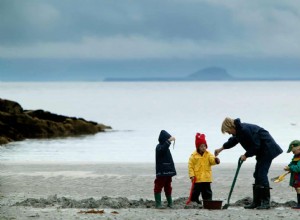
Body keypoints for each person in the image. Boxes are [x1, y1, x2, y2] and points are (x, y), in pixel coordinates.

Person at [215, 117, 283, 209]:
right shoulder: (239, 131)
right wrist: (220, 149)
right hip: (262, 151)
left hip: (268, 149)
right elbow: (233, 141)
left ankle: (265, 202)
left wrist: (246, 155)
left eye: (228, 131)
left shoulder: (244, 130)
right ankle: (257, 202)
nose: (229, 133)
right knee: (257, 174)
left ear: (231, 127)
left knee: (262, 174)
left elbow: (256, 145)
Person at [188, 133, 220, 204]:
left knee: (207, 192)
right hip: (197, 178)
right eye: (201, 146)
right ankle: (194, 201)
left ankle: (208, 201)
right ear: (198, 147)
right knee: (195, 191)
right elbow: (190, 166)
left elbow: (212, 160)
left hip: (206, 178)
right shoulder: (193, 156)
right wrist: (192, 175)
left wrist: (215, 160)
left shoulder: (208, 154)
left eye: (204, 146)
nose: (203, 148)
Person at [154, 130, 176, 208]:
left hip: (168, 172)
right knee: (158, 186)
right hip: (161, 172)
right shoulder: (159, 147)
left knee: (168, 187)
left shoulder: (166, 148)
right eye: (167, 139)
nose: (169, 141)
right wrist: (169, 141)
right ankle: (158, 204)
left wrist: (172, 170)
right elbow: (162, 150)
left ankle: (170, 203)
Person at [284, 140, 300, 209]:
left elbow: (298, 168)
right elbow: (293, 163)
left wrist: (290, 168)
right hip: (296, 176)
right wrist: (289, 166)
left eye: (293, 151)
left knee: (299, 189)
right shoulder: (296, 156)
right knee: (297, 189)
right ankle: (299, 204)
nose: (293, 153)